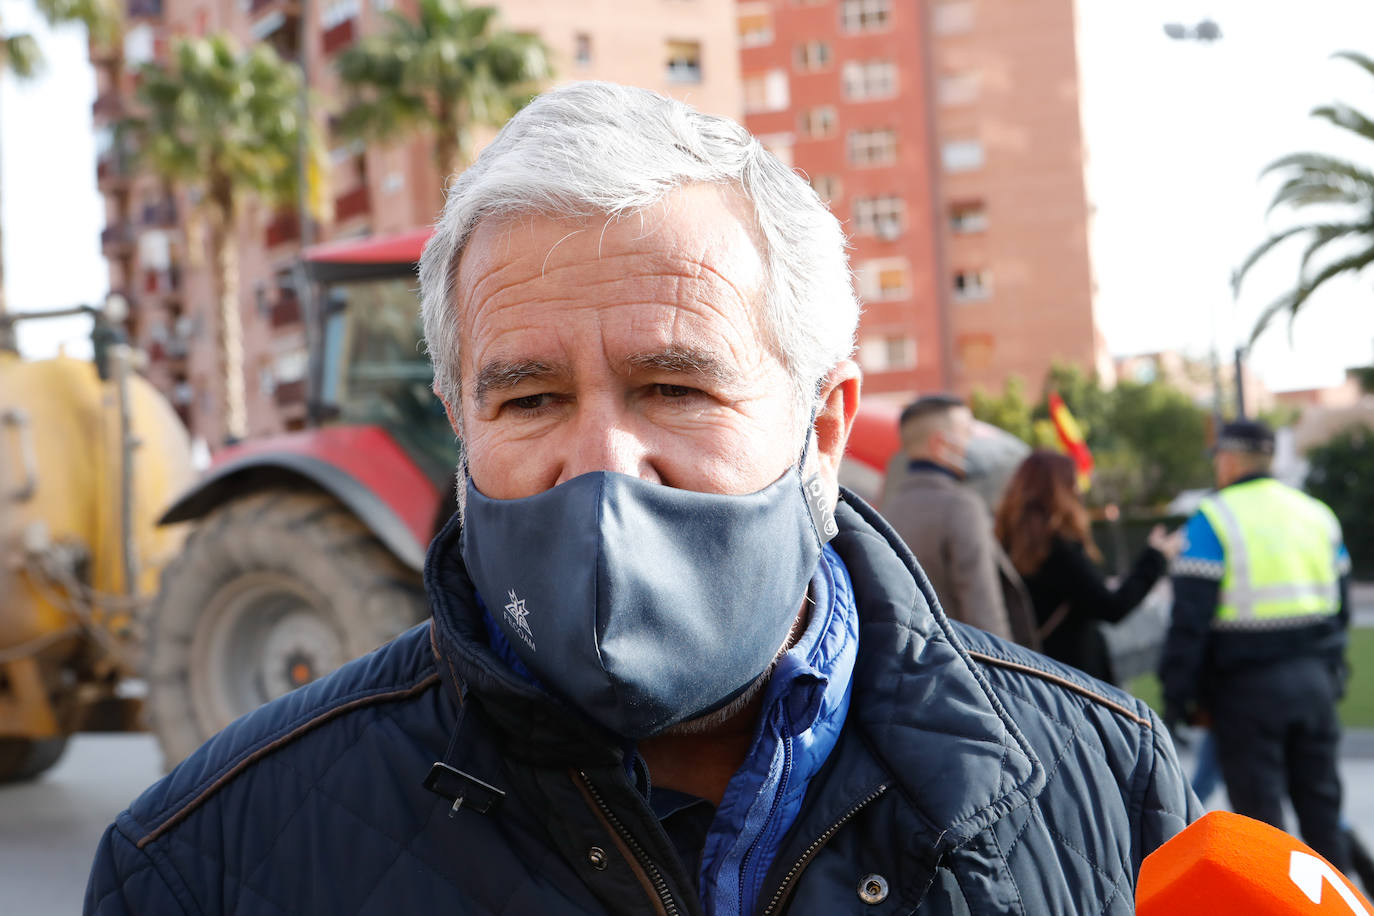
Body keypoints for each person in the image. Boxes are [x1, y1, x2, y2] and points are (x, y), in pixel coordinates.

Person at [85, 82, 1196, 916]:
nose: (604, 464)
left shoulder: (1112, 781)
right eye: (527, 399)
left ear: (823, 421)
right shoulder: (201, 861)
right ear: (459, 420)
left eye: (675, 387)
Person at [1160, 419, 1352, 872]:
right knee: (1323, 811)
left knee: (1264, 830)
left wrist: (1178, 695)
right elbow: (1341, 614)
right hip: (1315, 685)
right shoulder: (1317, 514)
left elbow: (1190, 621)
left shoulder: (1213, 517)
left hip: (1246, 694)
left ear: (1227, 460)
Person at [996, 450, 1182, 684]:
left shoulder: (1004, 543)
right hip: (1074, 678)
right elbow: (1112, 607)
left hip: (1033, 673)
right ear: (1060, 491)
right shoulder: (1058, 550)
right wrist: (1156, 557)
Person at [879, 395, 1015, 640]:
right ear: (940, 443)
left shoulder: (887, 510)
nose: (972, 441)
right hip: (965, 665)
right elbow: (984, 613)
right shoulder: (961, 506)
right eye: (966, 431)